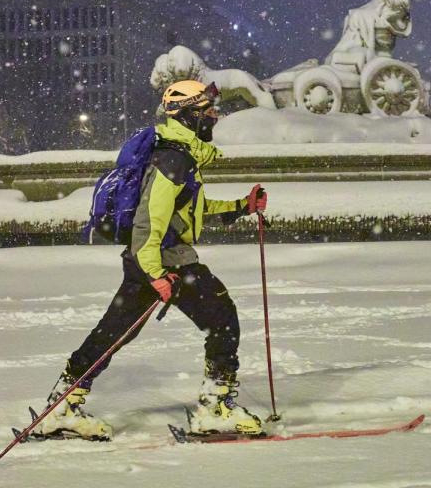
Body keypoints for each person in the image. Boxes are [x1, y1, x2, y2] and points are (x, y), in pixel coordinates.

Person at [33, 79, 268, 441]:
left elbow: (189, 210)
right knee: (222, 319)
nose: (215, 116)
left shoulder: (178, 154)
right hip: (167, 262)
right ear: (188, 115)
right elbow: (148, 222)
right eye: (207, 110)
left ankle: (62, 406)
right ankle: (215, 408)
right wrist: (156, 274)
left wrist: (241, 207)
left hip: (150, 261)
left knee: (113, 333)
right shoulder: (173, 159)